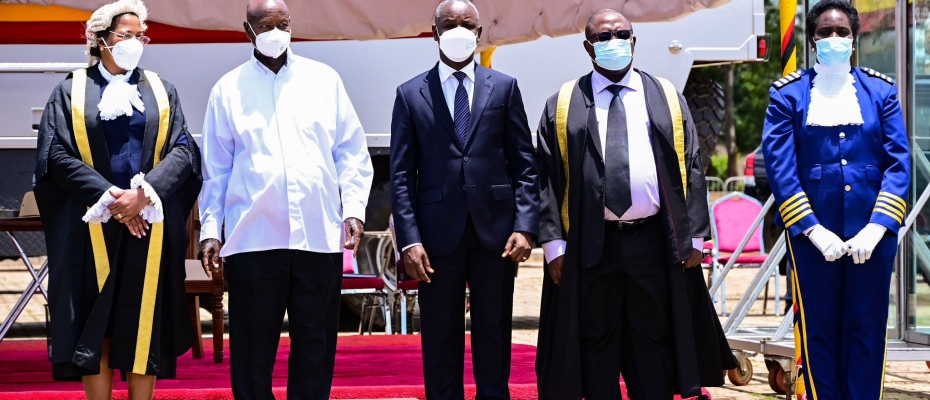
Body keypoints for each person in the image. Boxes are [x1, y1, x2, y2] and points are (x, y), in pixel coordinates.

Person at [534, 9, 735, 399]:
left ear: (634, 41)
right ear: (588, 47)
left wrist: (694, 236)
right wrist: (553, 245)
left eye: (621, 34)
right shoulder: (563, 103)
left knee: (655, 343)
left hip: (653, 243)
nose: (614, 42)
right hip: (591, 245)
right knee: (594, 344)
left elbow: (692, 166)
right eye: (603, 37)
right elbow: (546, 177)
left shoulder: (666, 97)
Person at [198, 0, 373, 398]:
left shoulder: (323, 80)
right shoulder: (227, 89)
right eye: (266, 25)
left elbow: (352, 152)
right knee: (252, 348)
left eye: (283, 23)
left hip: (317, 235)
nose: (276, 32)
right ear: (248, 32)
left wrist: (355, 210)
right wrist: (211, 230)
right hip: (253, 239)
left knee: (315, 342)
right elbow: (216, 170)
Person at [32, 0, 202, 398]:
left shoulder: (161, 90)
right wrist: (110, 198)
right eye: (126, 36)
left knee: (144, 321)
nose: (135, 43)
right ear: (101, 40)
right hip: (90, 227)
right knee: (97, 321)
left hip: (149, 225)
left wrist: (143, 195)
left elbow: (183, 149)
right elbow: (54, 154)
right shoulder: (69, 90)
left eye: (140, 36)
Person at [390, 0, 539, 398]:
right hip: (436, 238)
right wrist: (409, 239)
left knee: (493, 330)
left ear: (479, 32)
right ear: (434, 31)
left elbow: (525, 164)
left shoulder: (504, 87)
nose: (459, 30)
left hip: (497, 235)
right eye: (449, 23)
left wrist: (525, 226)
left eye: (467, 23)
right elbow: (401, 175)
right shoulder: (410, 94)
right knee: (439, 333)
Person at [762, 0, 909, 398]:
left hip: (871, 238)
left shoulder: (881, 92)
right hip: (813, 240)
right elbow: (781, 169)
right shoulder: (788, 96)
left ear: (854, 39)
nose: (833, 39)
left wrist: (878, 227)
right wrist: (811, 229)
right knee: (818, 328)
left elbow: (898, 162)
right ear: (812, 40)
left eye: (841, 32)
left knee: (866, 326)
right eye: (825, 32)